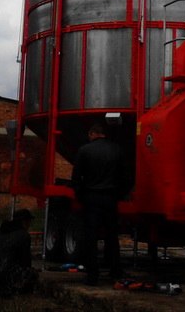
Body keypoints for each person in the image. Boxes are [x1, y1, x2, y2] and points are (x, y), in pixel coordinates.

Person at [71, 122, 128, 285]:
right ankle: (115, 270)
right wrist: (119, 194)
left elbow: (76, 177)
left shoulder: (84, 150)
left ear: (92, 134)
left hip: (91, 197)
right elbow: (125, 175)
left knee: (91, 237)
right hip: (110, 197)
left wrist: (81, 196)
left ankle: (92, 275)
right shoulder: (117, 149)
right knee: (112, 235)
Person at [0, 208, 39, 295]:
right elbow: (25, 261)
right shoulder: (23, 235)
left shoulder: (0, 231)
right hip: (7, 275)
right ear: (24, 222)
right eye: (29, 221)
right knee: (32, 274)